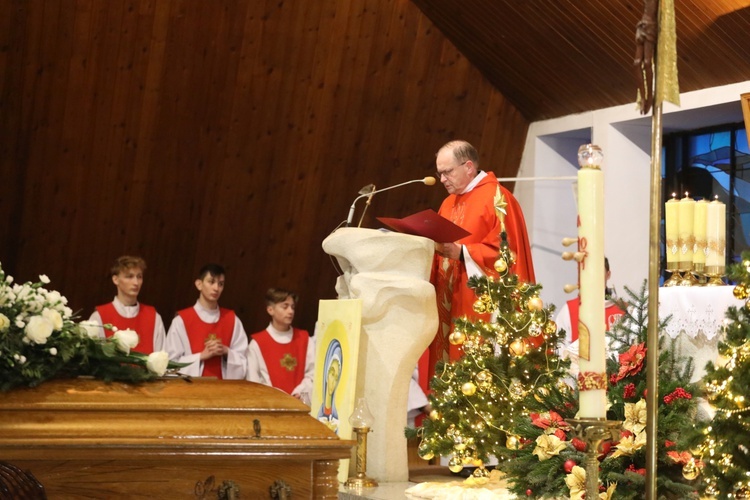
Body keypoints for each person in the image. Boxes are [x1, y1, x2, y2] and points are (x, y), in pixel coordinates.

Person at [427, 140, 535, 380]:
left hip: (478, 304)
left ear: (468, 167)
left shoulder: (497, 198)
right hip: (450, 302)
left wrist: (463, 253)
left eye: (448, 172)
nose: (442, 179)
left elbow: (508, 252)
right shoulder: (447, 204)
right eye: (439, 173)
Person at [166, 263, 248, 379]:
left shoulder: (232, 320)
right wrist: (201, 356)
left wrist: (226, 352)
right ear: (199, 284)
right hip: (191, 393)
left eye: (221, 284)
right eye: (211, 282)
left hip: (224, 392)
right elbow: (170, 365)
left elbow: (244, 362)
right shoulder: (181, 321)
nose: (216, 288)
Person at [556, 257, 625, 375]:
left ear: (608, 274)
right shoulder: (569, 310)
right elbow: (560, 354)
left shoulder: (624, 310)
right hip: (581, 385)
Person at [88, 256, 166, 354]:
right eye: (129, 276)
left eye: (139, 277)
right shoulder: (99, 316)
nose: (136, 282)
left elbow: (162, 357)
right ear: (115, 279)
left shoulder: (154, 317)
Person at [246, 288, 314, 399]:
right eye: (285, 306)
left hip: (300, 404)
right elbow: (253, 383)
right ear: (270, 310)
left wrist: (300, 392)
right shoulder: (257, 343)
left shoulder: (304, 339)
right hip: (270, 406)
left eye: (292, 307)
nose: (290, 311)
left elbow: (313, 374)